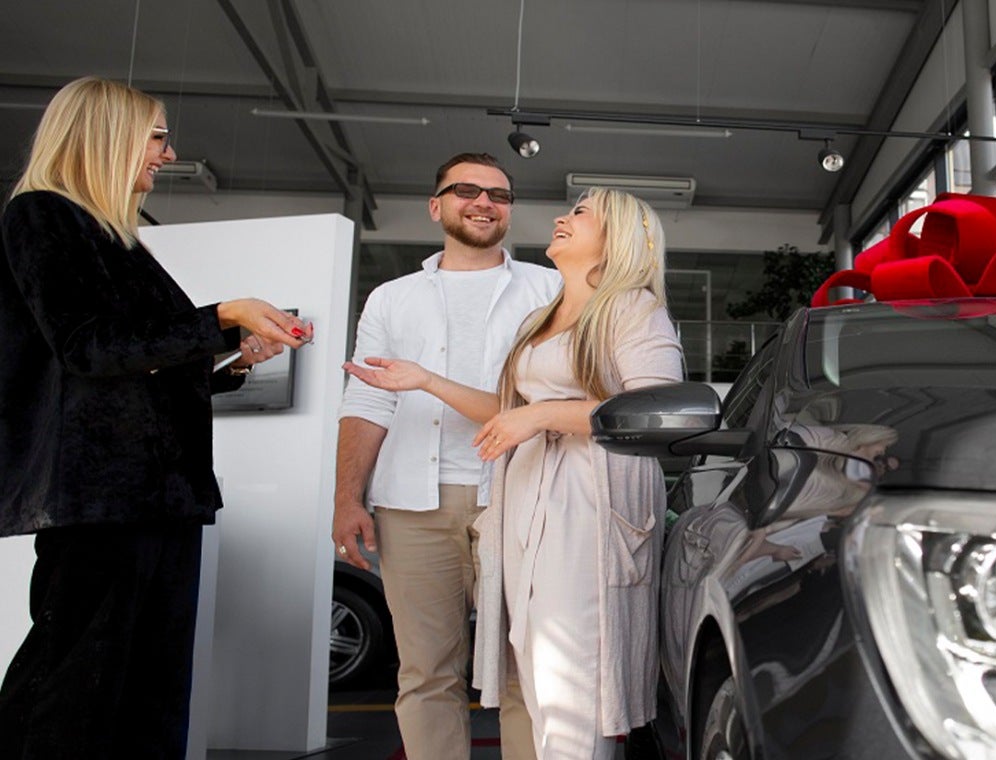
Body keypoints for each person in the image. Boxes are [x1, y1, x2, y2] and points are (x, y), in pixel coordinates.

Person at [0, 76, 311, 758]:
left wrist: (230, 354)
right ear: (108, 136)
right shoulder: (43, 217)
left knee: (145, 685)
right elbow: (87, 346)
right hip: (100, 499)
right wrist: (220, 316)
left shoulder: (112, 237)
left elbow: (126, 365)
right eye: (159, 137)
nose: (167, 156)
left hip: (151, 495)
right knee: (75, 685)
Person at [344, 187, 684, 758]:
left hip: (587, 507)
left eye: (580, 212)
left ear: (618, 236)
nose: (561, 216)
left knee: (572, 679)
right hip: (525, 505)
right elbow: (510, 412)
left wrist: (544, 415)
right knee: (535, 671)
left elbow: (659, 410)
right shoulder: (544, 316)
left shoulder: (633, 308)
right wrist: (425, 379)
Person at [331, 152, 560, 760]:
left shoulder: (550, 289)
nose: (484, 202)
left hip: (520, 499)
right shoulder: (390, 298)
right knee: (426, 672)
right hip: (411, 506)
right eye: (467, 190)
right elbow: (367, 401)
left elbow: (554, 398)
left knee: (524, 672)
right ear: (437, 207)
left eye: (499, 195)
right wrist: (347, 498)